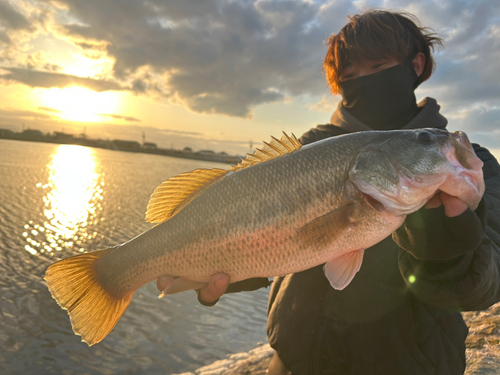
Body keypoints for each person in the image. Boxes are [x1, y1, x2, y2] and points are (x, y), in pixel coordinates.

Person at [157, 10, 500, 375]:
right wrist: (227, 267)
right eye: (349, 75)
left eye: (378, 65)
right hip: (293, 358)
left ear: (415, 65)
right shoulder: (306, 149)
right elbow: (272, 236)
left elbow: (486, 286)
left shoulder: (468, 163)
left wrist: (448, 255)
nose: (363, 80)